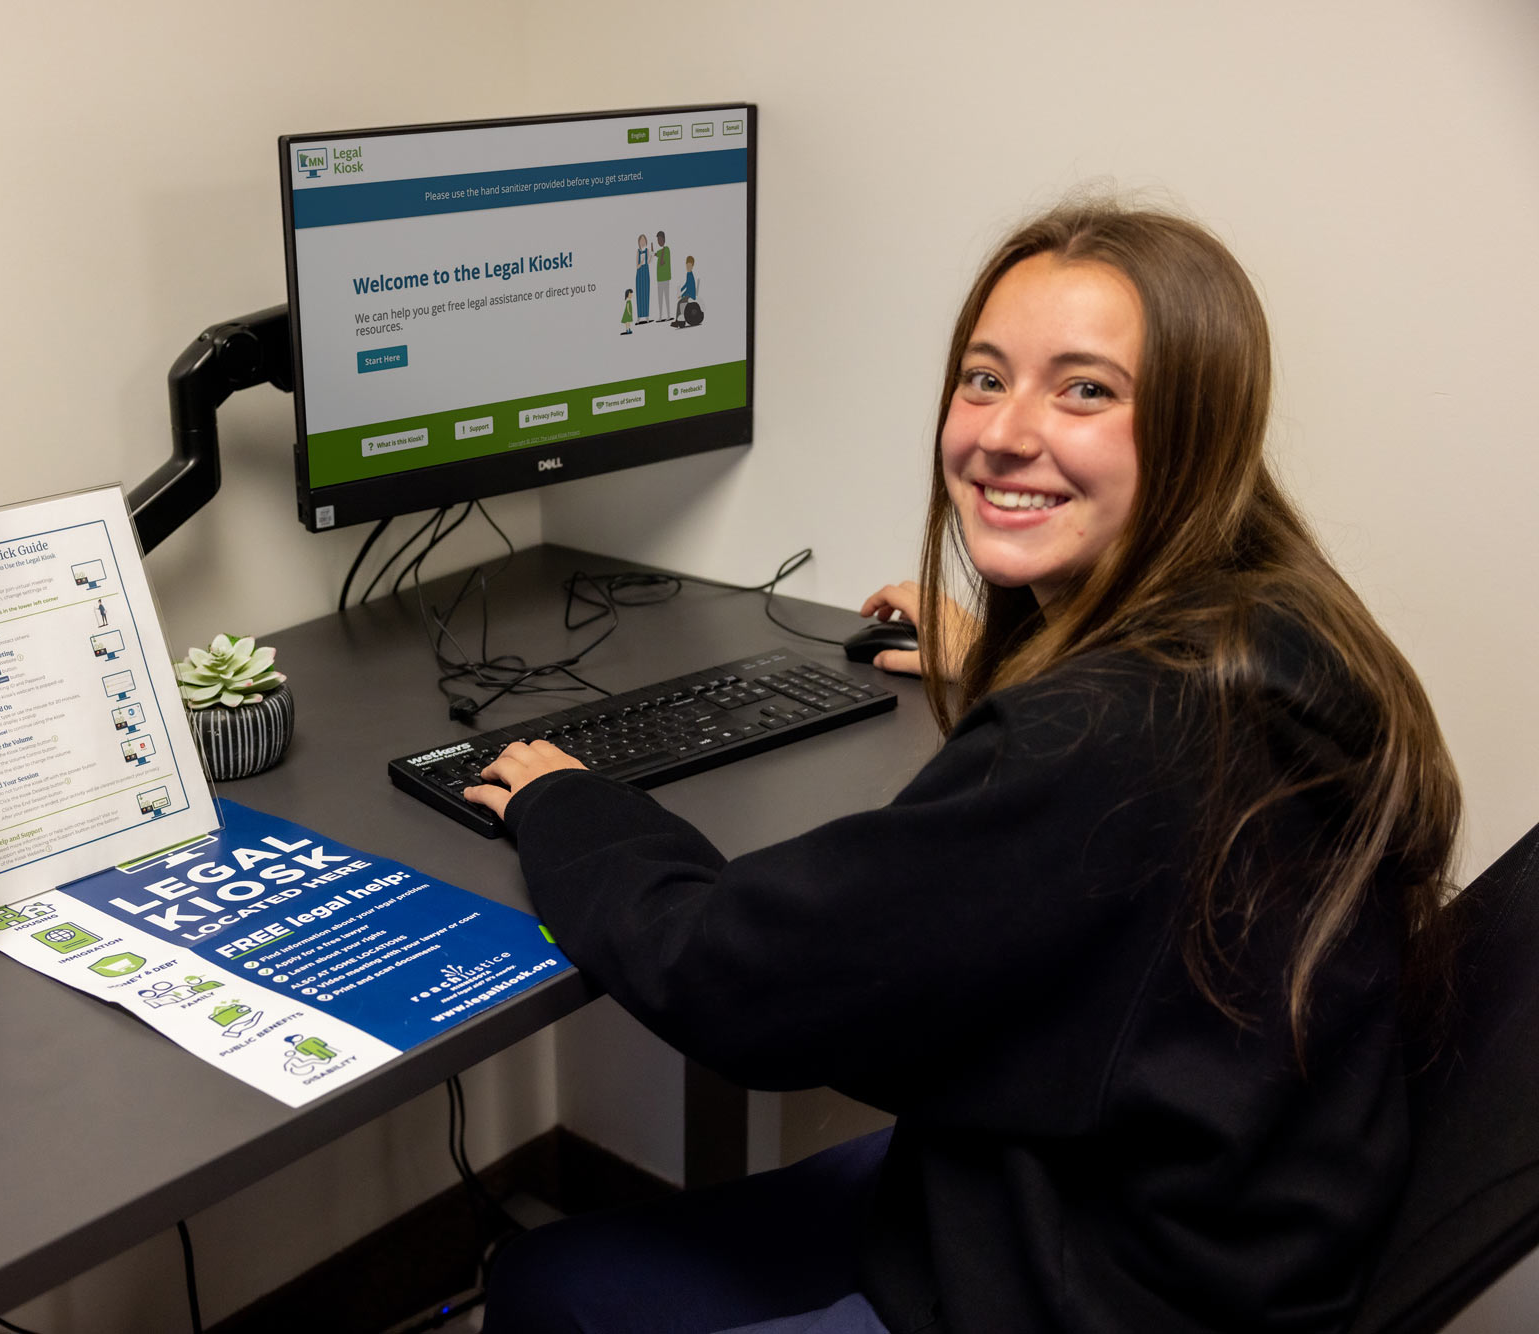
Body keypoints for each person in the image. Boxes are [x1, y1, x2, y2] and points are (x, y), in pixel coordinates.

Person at [465, 200, 1462, 1334]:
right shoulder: (1275, 628)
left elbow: (740, 981)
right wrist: (1006, 656)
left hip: (1089, 1282)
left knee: (544, 1286)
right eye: (984, 379)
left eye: (1084, 390)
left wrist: (568, 804)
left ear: (1197, 427)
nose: (1004, 432)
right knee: (557, 1274)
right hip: (1199, 1217)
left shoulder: (1106, 735)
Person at [656, 230, 673, 320]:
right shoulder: (660, 251)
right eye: (658, 240)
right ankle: (660, 316)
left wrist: (657, 254)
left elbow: (662, 262)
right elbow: (655, 254)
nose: (659, 241)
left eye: (660, 239)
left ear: (664, 239)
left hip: (665, 278)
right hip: (659, 279)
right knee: (660, 298)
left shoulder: (666, 250)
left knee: (666, 297)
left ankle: (668, 315)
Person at [636, 233, 652, 325]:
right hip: (639, 274)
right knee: (639, 295)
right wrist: (641, 263)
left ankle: (646, 316)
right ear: (639, 242)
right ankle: (639, 316)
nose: (642, 242)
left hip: (646, 274)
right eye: (641, 240)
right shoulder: (638, 251)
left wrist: (651, 256)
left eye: (644, 240)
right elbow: (637, 266)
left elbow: (648, 262)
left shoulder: (647, 250)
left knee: (646, 294)